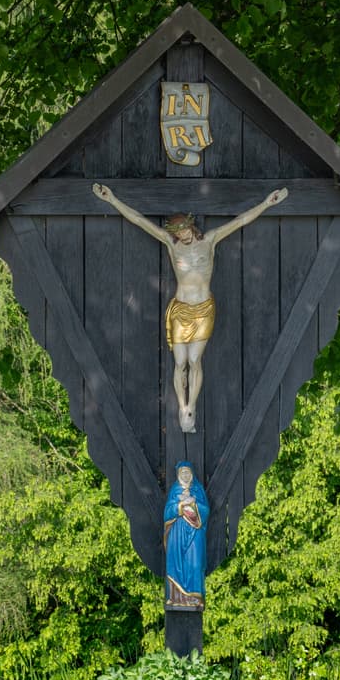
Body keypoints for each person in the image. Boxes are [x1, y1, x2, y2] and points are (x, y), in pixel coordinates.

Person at [92, 182, 288, 432]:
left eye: (184, 230)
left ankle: (190, 406)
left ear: (190, 225)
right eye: (177, 232)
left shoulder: (210, 240)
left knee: (195, 360)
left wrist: (266, 204)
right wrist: (112, 200)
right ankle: (181, 405)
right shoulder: (172, 244)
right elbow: (140, 221)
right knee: (180, 362)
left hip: (203, 308)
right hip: (181, 309)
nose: (182, 235)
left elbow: (240, 221)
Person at [162, 462, 208, 610]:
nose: (185, 475)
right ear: (178, 475)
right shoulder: (174, 491)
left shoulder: (198, 490)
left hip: (195, 532)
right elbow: (167, 512)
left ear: (192, 474)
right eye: (183, 473)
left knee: (195, 562)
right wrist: (181, 505)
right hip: (177, 533)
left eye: (187, 472)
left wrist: (193, 503)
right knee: (175, 563)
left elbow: (206, 510)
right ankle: (175, 597)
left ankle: (195, 598)